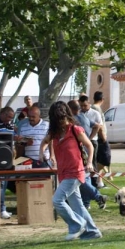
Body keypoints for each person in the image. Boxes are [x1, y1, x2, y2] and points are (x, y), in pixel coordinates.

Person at [39, 101, 102, 241]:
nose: (61, 122)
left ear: (66, 116)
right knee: (77, 206)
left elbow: (90, 146)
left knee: (57, 200)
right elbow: (44, 142)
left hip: (75, 172)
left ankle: (76, 225)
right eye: (57, 120)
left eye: (62, 118)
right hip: (63, 172)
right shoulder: (54, 133)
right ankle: (93, 231)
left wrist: (90, 163)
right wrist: (41, 152)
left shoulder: (75, 130)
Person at [67, 100, 107, 210]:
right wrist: (90, 138)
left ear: (70, 109)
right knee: (86, 178)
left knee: (81, 180)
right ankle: (86, 204)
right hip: (86, 151)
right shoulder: (84, 117)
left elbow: (97, 126)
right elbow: (97, 126)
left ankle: (98, 196)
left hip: (79, 154)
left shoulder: (73, 120)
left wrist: (88, 139)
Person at [79, 94, 104, 188]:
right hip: (80, 141)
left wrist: (89, 138)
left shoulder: (95, 113)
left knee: (92, 162)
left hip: (92, 141)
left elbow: (99, 126)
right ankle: (85, 182)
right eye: (81, 105)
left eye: (85, 105)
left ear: (89, 103)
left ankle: (94, 183)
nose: (83, 107)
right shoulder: (79, 113)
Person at [91, 91, 112, 183]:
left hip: (98, 138)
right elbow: (99, 126)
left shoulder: (93, 108)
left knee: (100, 160)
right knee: (104, 159)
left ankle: (100, 181)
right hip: (100, 138)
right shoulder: (96, 109)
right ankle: (97, 179)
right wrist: (103, 138)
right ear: (102, 99)